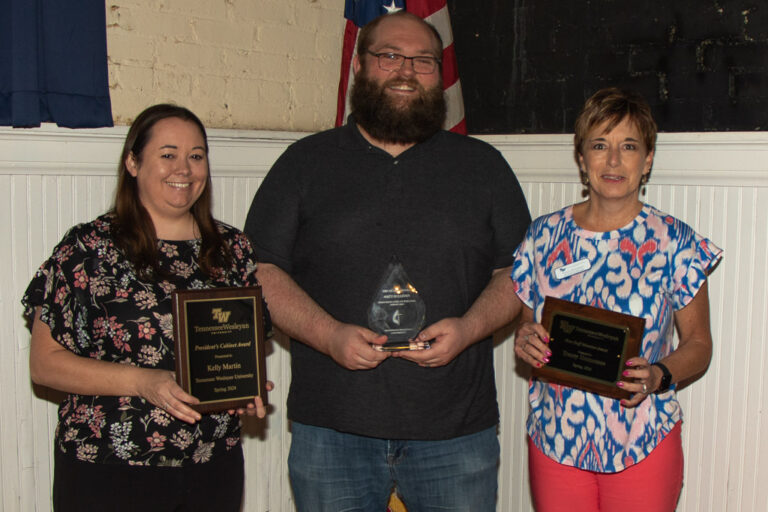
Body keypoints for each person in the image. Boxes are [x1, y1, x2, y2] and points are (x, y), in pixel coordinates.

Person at [244, 11, 531, 512]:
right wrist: (329, 336)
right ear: (359, 66)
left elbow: (517, 273)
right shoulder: (304, 162)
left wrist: (467, 329)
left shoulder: (483, 166)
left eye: (423, 60)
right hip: (332, 428)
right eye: (390, 56)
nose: (406, 71)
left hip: (455, 432)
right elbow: (262, 272)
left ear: (439, 75)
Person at [22, 104, 271, 511]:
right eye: (168, 154)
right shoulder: (89, 248)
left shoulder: (233, 249)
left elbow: (237, 351)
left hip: (211, 465)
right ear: (133, 163)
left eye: (196, 156)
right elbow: (44, 364)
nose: (184, 169)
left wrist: (241, 389)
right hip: (108, 467)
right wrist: (144, 382)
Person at [511, 87, 723, 511]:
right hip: (555, 438)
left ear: (647, 160)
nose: (613, 160)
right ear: (581, 158)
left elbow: (699, 344)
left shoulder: (675, 242)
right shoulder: (543, 236)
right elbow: (526, 324)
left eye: (628, 146)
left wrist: (658, 374)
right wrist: (525, 339)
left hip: (642, 439)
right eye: (599, 145)